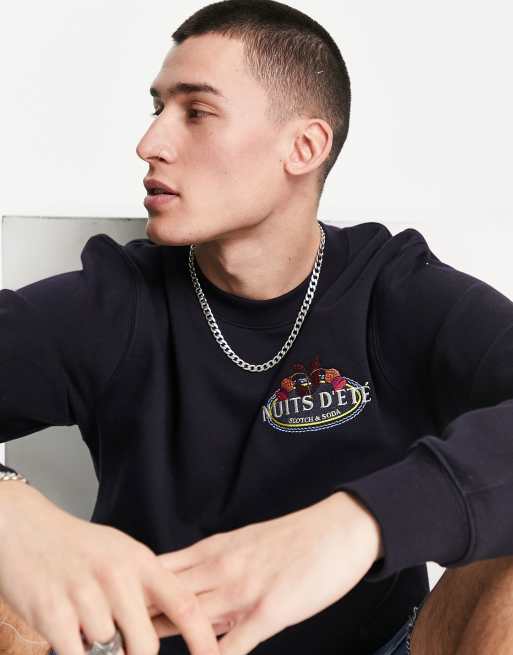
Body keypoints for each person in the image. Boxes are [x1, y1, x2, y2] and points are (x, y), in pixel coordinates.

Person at [1, 1, 513, 654]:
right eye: (157, 108)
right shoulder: (115, 302)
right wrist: (7, 507)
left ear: (304, 147)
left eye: (196, 111)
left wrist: (358, 523)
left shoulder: (393, 291)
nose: (150, 143)